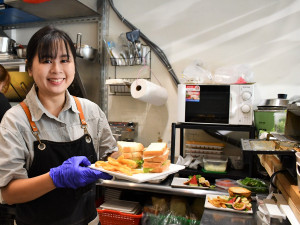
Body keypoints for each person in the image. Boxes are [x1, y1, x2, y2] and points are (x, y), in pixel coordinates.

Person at [0, 25, 119, 225]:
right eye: (47, 60)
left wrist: (135, 162)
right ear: (29, 67)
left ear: (74, 65)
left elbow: (112, 158)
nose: (57, 70)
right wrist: (55, 179)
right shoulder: (15, 121)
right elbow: (9, 193)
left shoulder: (90, 111)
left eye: (65, 60)